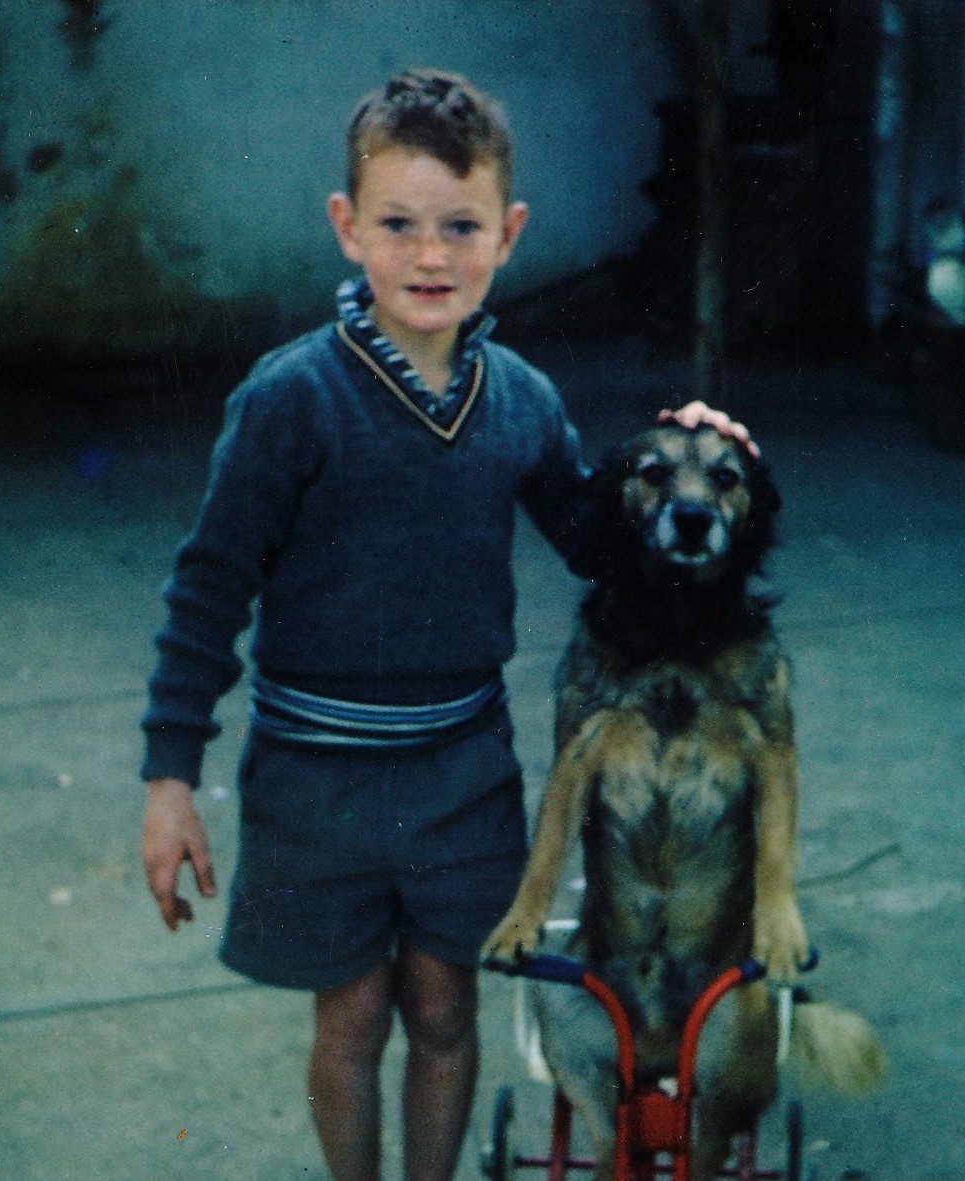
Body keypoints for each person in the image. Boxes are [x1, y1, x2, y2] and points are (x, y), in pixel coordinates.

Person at [138, 68, 754, 1181]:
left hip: (461, 772)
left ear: (508, 234)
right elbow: (207, 587)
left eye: (461, 226)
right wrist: (169, 775)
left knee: (442, 1003)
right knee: (353, 1016)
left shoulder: (520, 399)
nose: (431, 255)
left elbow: (598, 535)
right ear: (347, 228)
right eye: (400, 225)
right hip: (315, 775)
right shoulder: (291, 399)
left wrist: (689, 458)